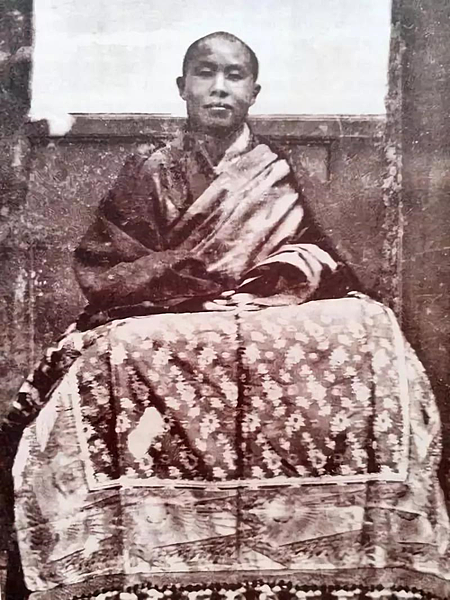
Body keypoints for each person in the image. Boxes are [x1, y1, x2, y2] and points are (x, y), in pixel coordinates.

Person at [2, 31, 450, 600]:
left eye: (234, 76)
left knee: (370, 330)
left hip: (263, 310)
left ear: (254, 92)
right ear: (182, 87)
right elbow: (108, 263)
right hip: (170, 312)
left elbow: (323, 255)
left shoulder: (277, 171)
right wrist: (185, 280)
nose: (219, 87)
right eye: (205, 73)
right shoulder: (149, 169)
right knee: (109, 356)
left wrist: (285, 272)